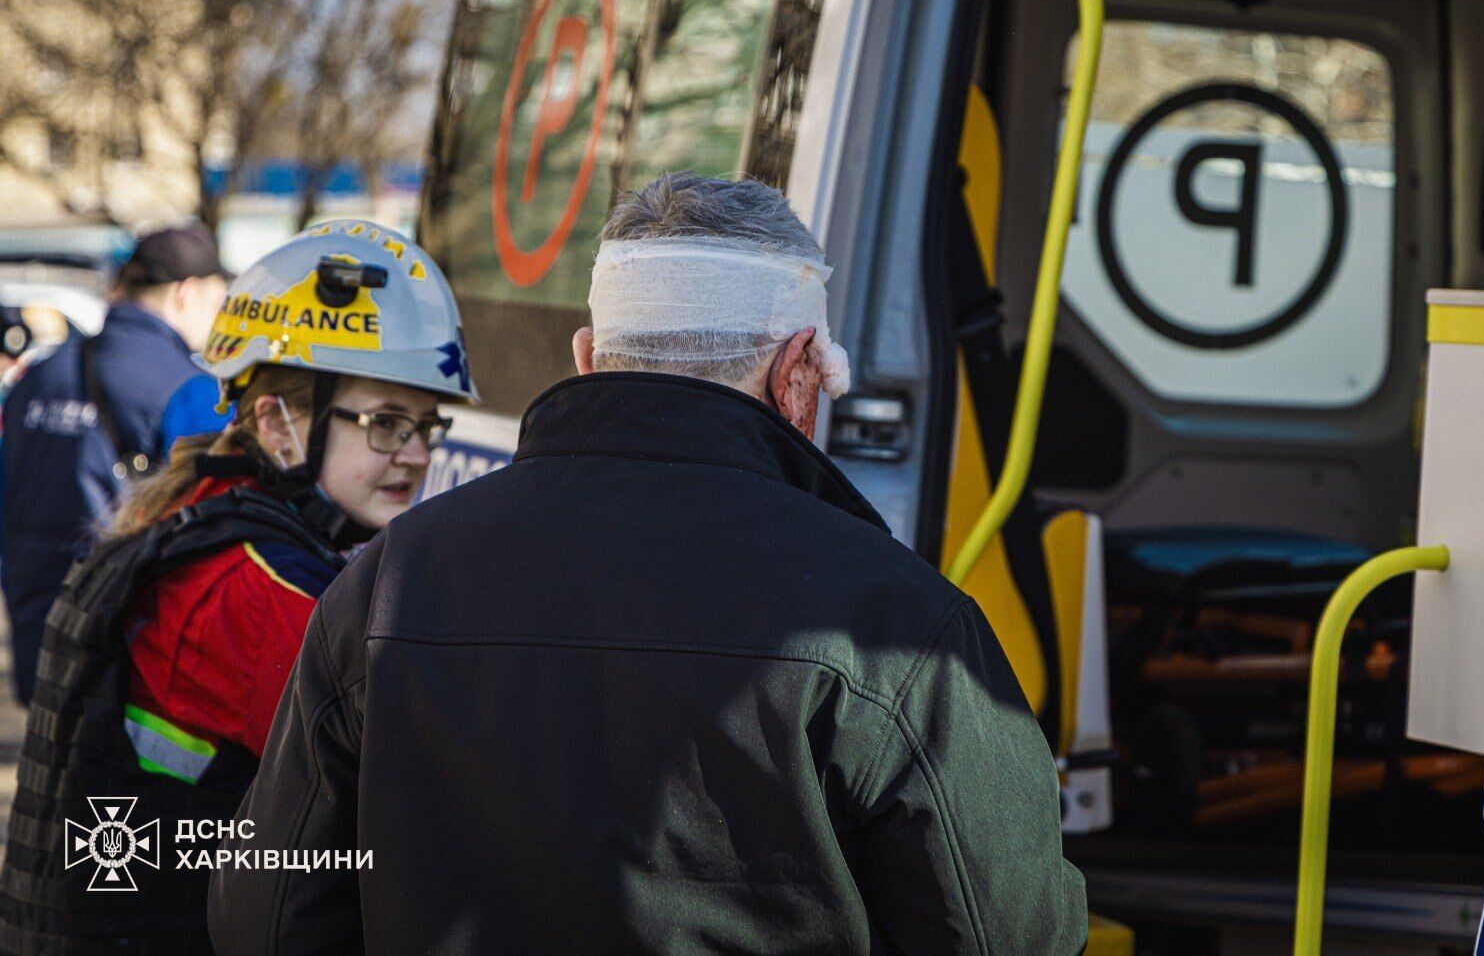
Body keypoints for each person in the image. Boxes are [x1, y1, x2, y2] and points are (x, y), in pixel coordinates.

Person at [212, 174, 1089, 954]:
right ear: (797, 377)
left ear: (589, 358)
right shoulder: (901, 624)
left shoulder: (389, 577)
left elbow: (268, 913)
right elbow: (1009, 933)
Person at [0, 220, 476, 954]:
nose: (415, 454)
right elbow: (408, 817)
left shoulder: (196, 511)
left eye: (425, 425)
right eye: (384, 423)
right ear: (278, 423)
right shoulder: (268, 591)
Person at [0, 223, 228, 704]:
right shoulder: (192, 389)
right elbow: (217, 521)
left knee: (50, 771)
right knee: (108, 777)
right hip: (131, 649)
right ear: (188, 294)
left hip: (37, 632)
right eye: (217, 302)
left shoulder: (35, 377)